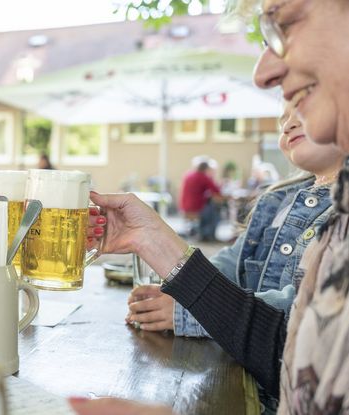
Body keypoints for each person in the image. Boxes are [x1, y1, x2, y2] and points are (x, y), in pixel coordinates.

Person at [71, 0, 349, 411]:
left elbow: (288, 335)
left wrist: (187, 308)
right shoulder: (280, 200)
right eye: (281, 116)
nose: (263, 73)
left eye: (286, 24)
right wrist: (163, 257)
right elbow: (292, 348)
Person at [128, 103, 345, 412]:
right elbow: (231, 261)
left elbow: (300, 311)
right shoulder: (277, 198)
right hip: (236, 378)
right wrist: (182, 294)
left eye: (304, 106)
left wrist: (194, 311)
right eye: (283, 117)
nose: (286, 125)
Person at [179, 157, 222, 242]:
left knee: (210, 208)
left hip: (184, 207)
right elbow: (216, 191)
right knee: (215, 212)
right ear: (206, 169)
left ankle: (203, 233)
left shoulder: (188, 175)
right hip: (196, 208)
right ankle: (207, 235)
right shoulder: (203, 177)